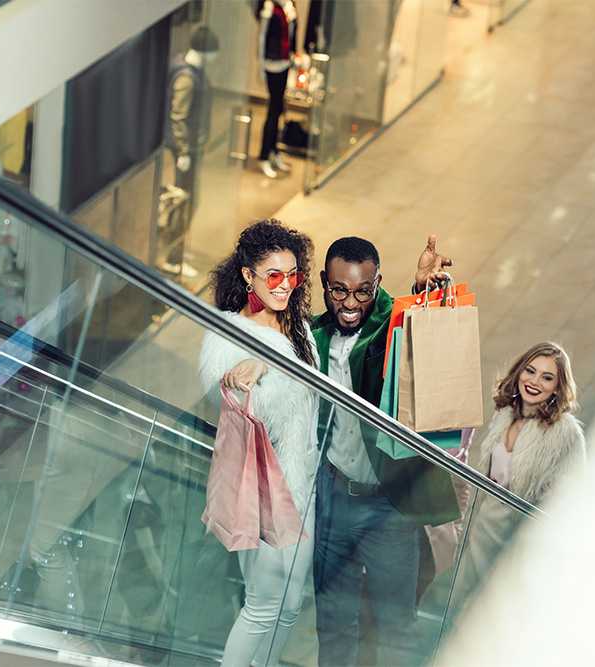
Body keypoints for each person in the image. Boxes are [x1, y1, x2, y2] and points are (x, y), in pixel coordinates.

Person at [310, 235, 461, 666]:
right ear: (325, 283)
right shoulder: (314, 335)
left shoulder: (384, 325)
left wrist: (422, 293)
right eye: (339, 290)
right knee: (333, 623)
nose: (351, 302)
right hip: (333, 499)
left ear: (377, 283)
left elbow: (404, 329)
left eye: (364, 290)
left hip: (387, 509)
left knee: (396, 627)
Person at [198, 219, 320, 666]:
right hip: (264, 487)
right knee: (264, 604)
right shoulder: (227, 335)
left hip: (302, 482)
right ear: (248, 275)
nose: (285, 285)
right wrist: (258, 368)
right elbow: (230, 397)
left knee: (288, 608)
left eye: (293, 276)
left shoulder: (299, 330)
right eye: (274, 275)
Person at [450, 342, 586, 610]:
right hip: (485, 528)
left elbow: (576, 499)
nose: (534, 382)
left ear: (558, 387)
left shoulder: (565, 432)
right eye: (530, 371)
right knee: (462, 605)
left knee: (499, 611)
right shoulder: (505, 413)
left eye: (547, 377)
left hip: (522, 539)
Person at [159, 25, 220, 277]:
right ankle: (173, 256)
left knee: (187, 199)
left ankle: (177, 247)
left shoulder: (185, 68)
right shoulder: (188, 77)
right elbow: (178, 116)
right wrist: (183, 150)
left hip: (189, 149)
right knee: (188, 201)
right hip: (186, 151)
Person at [255, 0, 297, 179]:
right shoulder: (269, 7)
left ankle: (273, 151)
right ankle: (264, 154)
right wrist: (260, 66)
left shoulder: (289, 5)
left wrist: (293, 56)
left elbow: (292, 34)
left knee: (279, 108)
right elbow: (262, 37)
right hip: (272, 64)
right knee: (274, 109)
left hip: (285, 62)